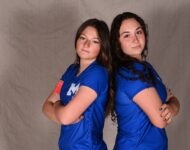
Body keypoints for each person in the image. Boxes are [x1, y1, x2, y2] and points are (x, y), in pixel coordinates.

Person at [110, 12, 180, 150]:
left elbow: (170, 98)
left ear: (145, 35)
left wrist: (172, 106)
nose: (135, 39)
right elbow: (161, 120)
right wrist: (172, 105)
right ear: (117, 43)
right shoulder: (130, 73)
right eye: (126, 35)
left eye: (138, 32)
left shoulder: (145, 67)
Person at [42, 18, 113, 150]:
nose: (86, 44)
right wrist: (62, 114)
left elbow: (64, 116)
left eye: (95, 41)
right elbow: (46, 106)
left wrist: (57, 106)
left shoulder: (97, 73)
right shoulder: (71, 70)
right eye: (82, 38)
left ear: (102, 47)